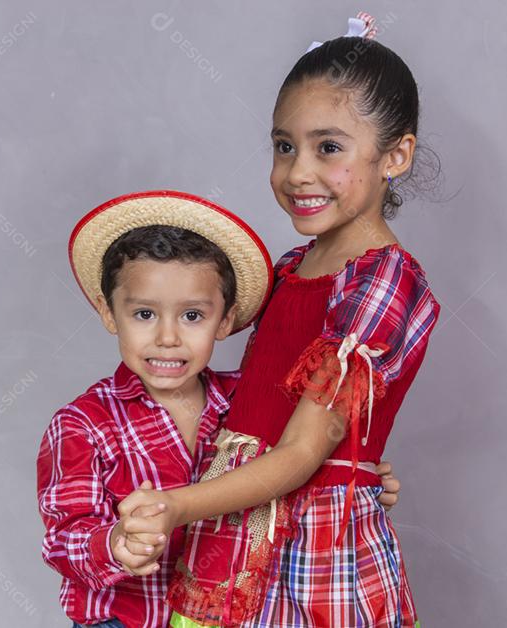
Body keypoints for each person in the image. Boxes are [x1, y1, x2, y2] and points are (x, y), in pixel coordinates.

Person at [116, 14, 442, 627]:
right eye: (284, 146)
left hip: (315, 544)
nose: (297, 172)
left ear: (395, 156)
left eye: (329, 148)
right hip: (240, 525)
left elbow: (299, 452)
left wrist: (177, 506)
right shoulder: (290, 267)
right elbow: (238, 389)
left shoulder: (381, 282)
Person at [37, 191, 405, 628]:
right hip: (124, 619)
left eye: (192, 316)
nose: (168, 338)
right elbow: (63, 540)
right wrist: (114, 543)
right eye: (144, 314)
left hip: (217, 618)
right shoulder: (82, 425)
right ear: (109, 312)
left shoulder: (244, 401)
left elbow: (288, 468)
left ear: (225, 320)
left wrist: (354, 478)